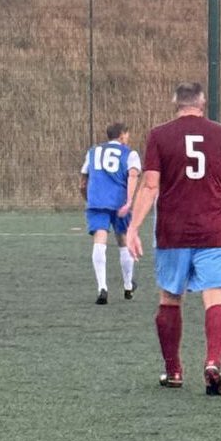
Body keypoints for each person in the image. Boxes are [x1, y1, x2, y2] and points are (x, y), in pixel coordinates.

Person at [126, 82, 221, 396]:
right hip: (213, 232)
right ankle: (212, 361)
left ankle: (173, 370)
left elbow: (150, 186)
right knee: (216, 299)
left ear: (174, 103)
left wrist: (132, 228)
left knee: (170, 299)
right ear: (202, 102)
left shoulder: (159, 135)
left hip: (173, 231)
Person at [80, 122, 141, 304]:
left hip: (97, 201)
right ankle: (128, 286)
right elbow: (132, 175)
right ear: (122, 135)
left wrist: (88, 198)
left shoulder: (93, 151)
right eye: (127, 134)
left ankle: (102, 287)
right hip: (119, 203)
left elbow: (83, 181)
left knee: (100, 240)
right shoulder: (130, 153)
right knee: (124, 241)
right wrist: (129, 201)